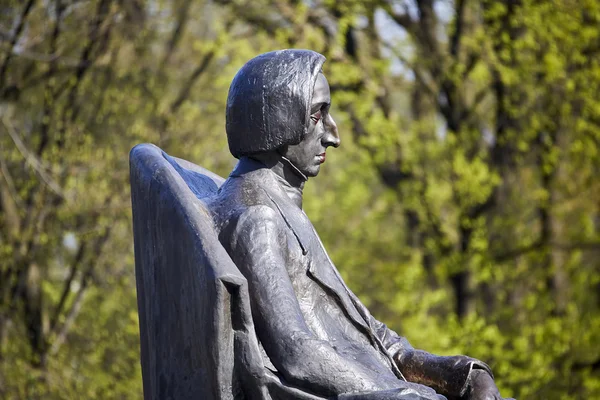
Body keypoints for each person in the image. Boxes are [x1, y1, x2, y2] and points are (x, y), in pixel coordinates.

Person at [208, 49, 510, 400]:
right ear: (278, 120)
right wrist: (404, 395)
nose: (333, 135)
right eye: (317, 115)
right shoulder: (257, 217)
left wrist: (462, 374)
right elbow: (296, 353)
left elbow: (373, 338)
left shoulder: (280, 205)